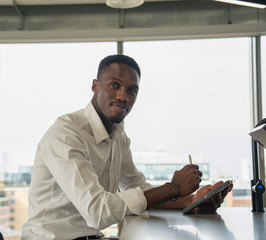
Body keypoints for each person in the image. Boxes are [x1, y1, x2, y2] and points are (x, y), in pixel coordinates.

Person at [21, 55, 233, 240]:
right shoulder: (67, 133)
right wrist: (173, 188)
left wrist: (194, 201)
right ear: (95, 86)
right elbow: (97, 210)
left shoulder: (118, 135)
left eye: (132, 90)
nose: (124, 96)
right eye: (115, 85)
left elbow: (139, 191)